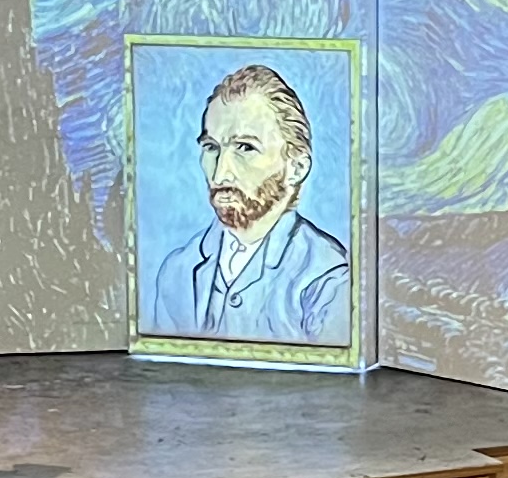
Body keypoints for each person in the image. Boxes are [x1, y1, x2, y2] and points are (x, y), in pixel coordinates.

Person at [145, 63, 353, 348]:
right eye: (211, 147)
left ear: (296, 167)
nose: (221, 174)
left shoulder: (329, 277)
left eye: (245, 148)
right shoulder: (177, 272)